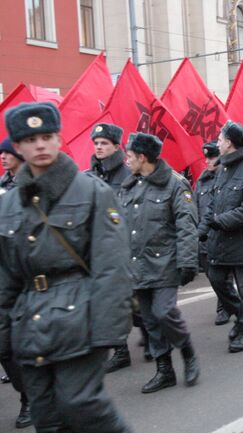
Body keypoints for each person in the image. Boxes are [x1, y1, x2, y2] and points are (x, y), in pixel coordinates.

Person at [0, 102, 133, 432]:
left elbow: (111, 268)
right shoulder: (7, 205)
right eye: (30, 140)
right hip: (28, 323)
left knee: (82, 404)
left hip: (80, 317)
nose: (40, 145)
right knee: (47, 418)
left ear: (59, 140)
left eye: (47, 136)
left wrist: (109, 333)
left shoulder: (92, 192)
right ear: (17, 147)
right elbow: (5, 279)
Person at [119, 132, 200, 393]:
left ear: (143, 158)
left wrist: (188, 262)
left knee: (165, 312)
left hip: (165, 262)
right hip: (137, 265)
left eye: (129, 156)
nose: (126, 160)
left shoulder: (175, 184)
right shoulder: (130, 185)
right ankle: (164, 369)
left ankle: (187, 352)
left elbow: (186, 225)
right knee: (150, 320)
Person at [85, 122, 152, 373]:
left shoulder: (129, 176)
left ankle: (151, 337)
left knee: (135, 302)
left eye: (104, 143)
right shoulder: (88, 176)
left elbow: (137, 212)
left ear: (116, 147)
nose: (99, 147)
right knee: (109, 304)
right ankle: (121, 351)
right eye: (96, 143)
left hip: (126, 247)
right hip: (98, 250)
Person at [199, 121, 243, 353]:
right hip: (220, 241)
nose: (217, 142)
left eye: (220, 138)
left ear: (229, 142)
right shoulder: (223, 169)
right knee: (217, 279)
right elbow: (213, 204)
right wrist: (203, 230)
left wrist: (221, 221)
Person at [0, 136, 29, 429]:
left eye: (7, 153)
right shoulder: (2, 188)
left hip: (32, 280)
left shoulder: (39, 187)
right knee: (5, 348)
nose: (3, 157)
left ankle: (32, 399)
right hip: (4, 279)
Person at [194, 142, 238, 326]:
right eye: (206, 158)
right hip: (204, 238)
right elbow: (195, 208)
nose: (208, 161)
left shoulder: (227, 179)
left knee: (222, 277)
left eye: (212, 157)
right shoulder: (201, 181)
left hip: (222, 236)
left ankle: (224, 309)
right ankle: (235, 305)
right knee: (213, 278)